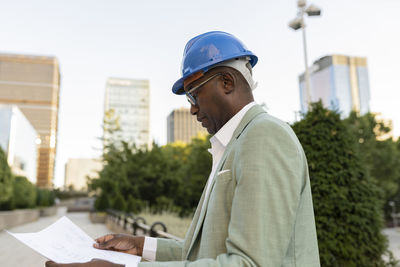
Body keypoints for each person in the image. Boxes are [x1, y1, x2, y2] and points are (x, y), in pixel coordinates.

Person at [46, 31, 320, 267]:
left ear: (227, 82)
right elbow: (204, 252)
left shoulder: (264, 135)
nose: (191, 108)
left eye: (194, 93)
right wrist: (140, 246)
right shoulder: (236, 143)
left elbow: (249, 263)